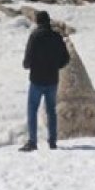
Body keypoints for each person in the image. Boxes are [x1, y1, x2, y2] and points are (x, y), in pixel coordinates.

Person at [20, 11, 70, 152]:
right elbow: (66, 58)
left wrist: (27, 65)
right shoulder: (56, 36)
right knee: (51, 111)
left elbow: (28, 58)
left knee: (32, 109)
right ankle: (52, 141)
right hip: (52, 78)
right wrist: (57, 66)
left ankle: (32, 141)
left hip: (36, 78)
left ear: (37, 22)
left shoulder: (35, 36)